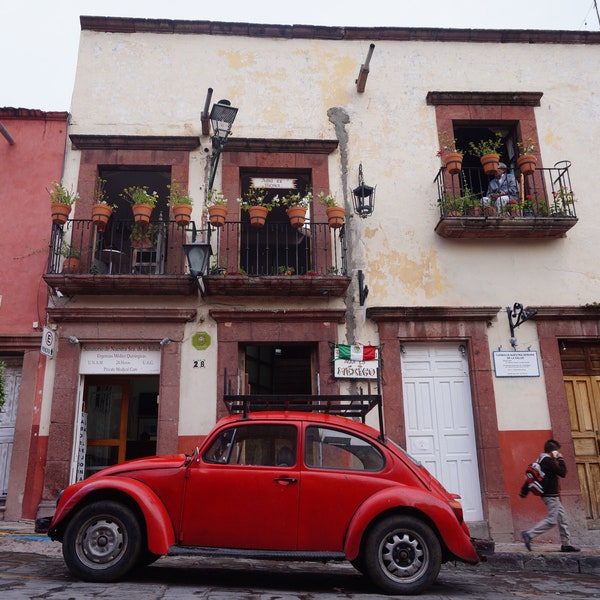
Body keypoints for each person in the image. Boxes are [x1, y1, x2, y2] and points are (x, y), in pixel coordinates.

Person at [520, 439, 580, 553]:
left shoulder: (540, 460)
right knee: (552, 520)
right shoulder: (548, 460)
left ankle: (566, 544)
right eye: (557, 451)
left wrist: (524, 491)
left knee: (563, 518)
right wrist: (560, 459)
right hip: (550, 495)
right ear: (553, 451)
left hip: (550, 495)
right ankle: (529, 534)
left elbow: (531, 477)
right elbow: (562, 473)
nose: (558, 453)